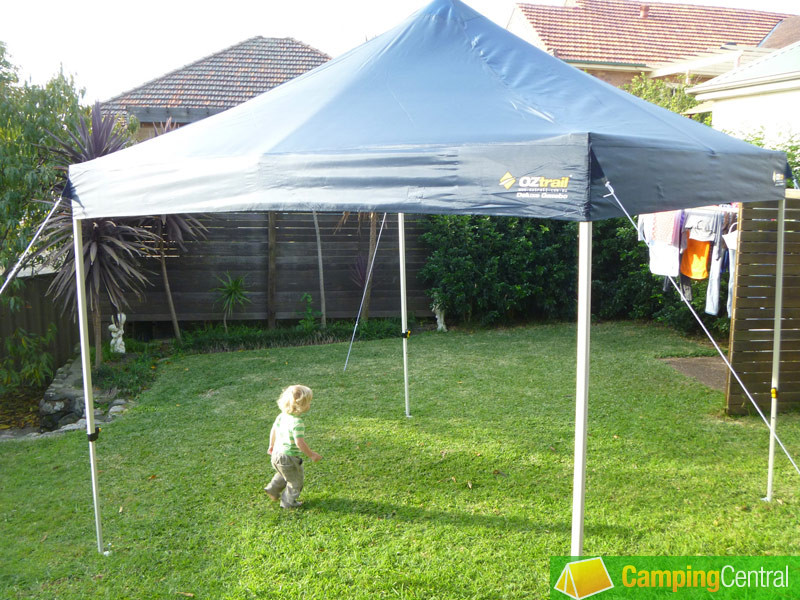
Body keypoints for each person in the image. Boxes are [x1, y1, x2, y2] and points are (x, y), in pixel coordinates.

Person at [265, 384, 322, 508]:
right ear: (300, 405)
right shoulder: (297, 423)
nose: (310, 405)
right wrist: (312, 455)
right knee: (295, 480)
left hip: (276, 454)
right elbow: (299, 443)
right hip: (288, 457)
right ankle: (288, 502)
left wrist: (271, 445)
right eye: (308, 402)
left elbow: (273, 430)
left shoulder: (281, 416)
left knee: (284, 473)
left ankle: (273, 488)